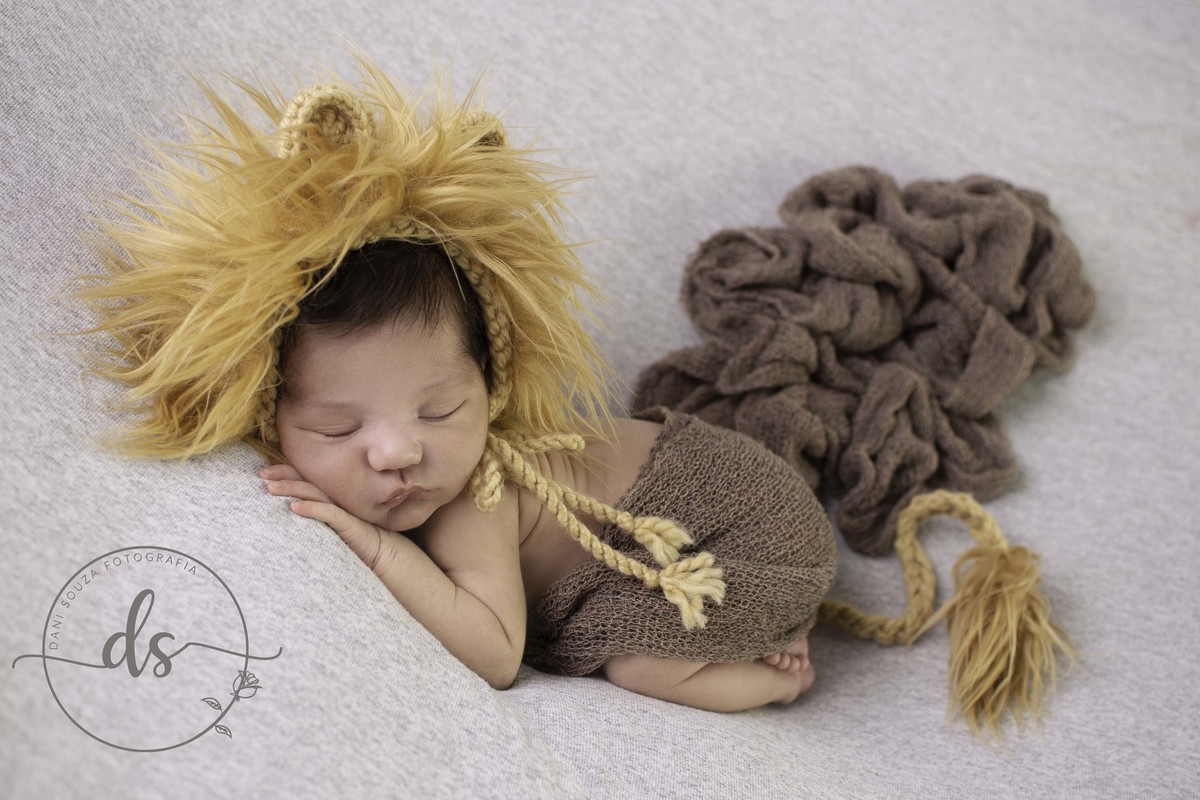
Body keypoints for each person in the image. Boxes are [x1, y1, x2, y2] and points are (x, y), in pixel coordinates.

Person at [78, 63, 837, 713]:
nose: (398, 451)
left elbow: (499, 654)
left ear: (491, 385)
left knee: (641, 665)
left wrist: (380, 549)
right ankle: (766, 625)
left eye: (441, 410)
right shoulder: (402, 455)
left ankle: (776, 675)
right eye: (338, 428)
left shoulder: (474, 496)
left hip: (745, 528)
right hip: (729, 498)